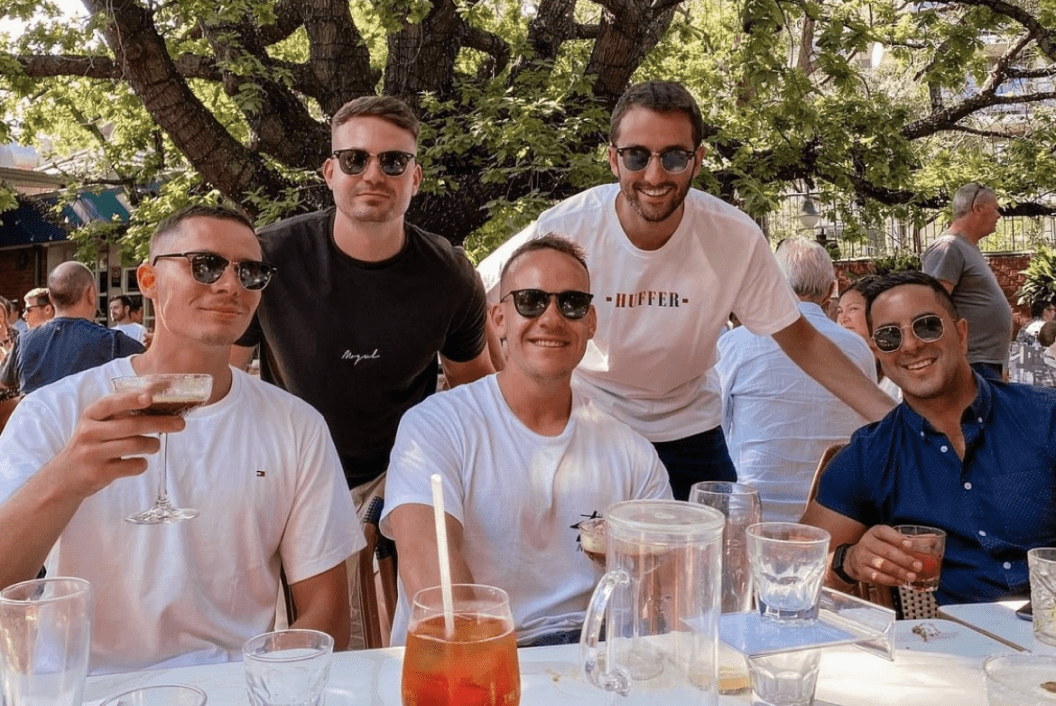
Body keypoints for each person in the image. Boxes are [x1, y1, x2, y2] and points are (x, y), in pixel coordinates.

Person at [477, 80, 894, 500]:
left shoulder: (733, 236)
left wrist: (897, 419)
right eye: (636, 156)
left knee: (719, 557)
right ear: (613, 160)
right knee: (585, 560)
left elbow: (801, 340)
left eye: (674, 157)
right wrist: (507, 398)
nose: (654, 175)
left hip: (690, 432)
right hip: (588, 423)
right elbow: (480, 293)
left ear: (698, 161)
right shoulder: (568, 225)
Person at [0, 205, 363, 674]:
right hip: (87, 688)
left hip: (233, 689)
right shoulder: (54, 413)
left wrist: (265, 679)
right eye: (205, 265)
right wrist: (67, 477)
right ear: (148, 281)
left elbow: (326, 615)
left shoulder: (297, 427)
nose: (231, 285)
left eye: (250, 272)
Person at [231, 95, 493, 647]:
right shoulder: (270, 258)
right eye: (355, 159)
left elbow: (476, 388)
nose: (373, 173)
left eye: (392, 162)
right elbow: (223, 375)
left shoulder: (449, 273)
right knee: (306, 630)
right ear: (330, 172)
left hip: (397, 468)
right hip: (292, 463)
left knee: (404, 627)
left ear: (415, 177)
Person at [382, 235, 672, 646]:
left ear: (590, 322)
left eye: (570, 303)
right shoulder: (435, 427)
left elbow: (666, 599)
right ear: (499, 318)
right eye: (530, 300)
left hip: (593, 665)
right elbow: (435, 585)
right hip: (474, 657)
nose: (551, 318)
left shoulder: (633, 454)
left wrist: (633, 572)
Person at [801, 271, 1056, 606]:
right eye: (890, 337)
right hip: (947, 647)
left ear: (961, 334)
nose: (910, 345)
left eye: (927, 325)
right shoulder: (871, 454)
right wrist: (847, 562)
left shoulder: (1044, 417)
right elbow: (798, 566)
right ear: (878, 352)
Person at [716, 239, 874, 522]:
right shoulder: (857, 348)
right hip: (836, 512)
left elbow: (716, 423)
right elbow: (868, 430)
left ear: (773, 282)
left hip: (752, 511)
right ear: (829, 292)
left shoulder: (736, 343)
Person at [5, 262, 144, 396]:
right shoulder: (113, 342)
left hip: (34, 419)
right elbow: (153, 371)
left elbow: (5, 380)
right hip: (84, 419)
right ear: (91, 294)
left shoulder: (24, 340)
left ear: (51, 299)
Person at [922, 183, 1012, 380]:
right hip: (970, 364)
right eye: (995, 208)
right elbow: (932, 307)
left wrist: (1000, 365)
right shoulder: (948, 247)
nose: (999, 215)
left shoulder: (968, 248)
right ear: (977, 208)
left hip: (986, 364)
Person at [837, 277, 902, 402]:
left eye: (853, 309)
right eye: (840, 311)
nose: (843, 318)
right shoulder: (838, 363)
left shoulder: (902, 369)